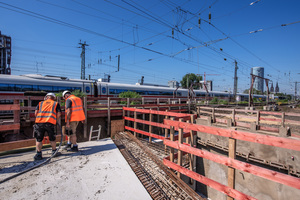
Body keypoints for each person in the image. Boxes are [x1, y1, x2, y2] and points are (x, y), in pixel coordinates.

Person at [33, 93, 62, 160]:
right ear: (53, 98)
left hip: (39, 123)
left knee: (39, 139)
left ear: (46, 97)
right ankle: (54, 152)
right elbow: (59, 113)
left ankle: (38, 154)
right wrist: (55, 119)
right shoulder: (55, 103)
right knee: (52, 138)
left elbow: (36, 112)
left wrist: (39, 119)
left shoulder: (41, 103)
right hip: (50, 123)